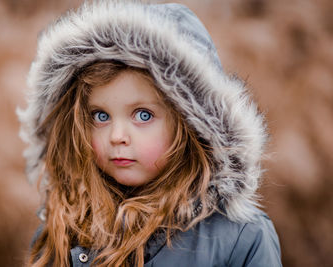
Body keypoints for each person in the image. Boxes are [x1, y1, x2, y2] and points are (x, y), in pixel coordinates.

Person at [17, 1, 282, 266]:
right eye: (100, 116)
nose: (116, 136)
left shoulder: (241, 237)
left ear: (191, 125)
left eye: (143, 115)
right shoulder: (64, 227)